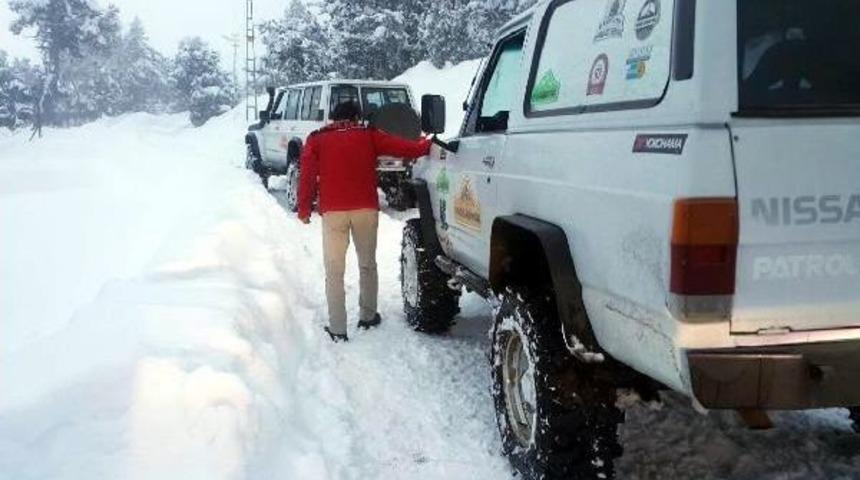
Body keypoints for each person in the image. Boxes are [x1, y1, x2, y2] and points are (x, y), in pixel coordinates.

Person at [297, 101, 432, 343]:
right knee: (367, 264)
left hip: (333, 213)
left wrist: (304, 208)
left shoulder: (317, 139)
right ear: (357, 117)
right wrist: (426, 145)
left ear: (333, 118)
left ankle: (338, 329)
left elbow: (306, 175)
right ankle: (368, 316)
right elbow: (405, 148)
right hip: (365, 210)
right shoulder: (369, 135)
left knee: (334, 270)